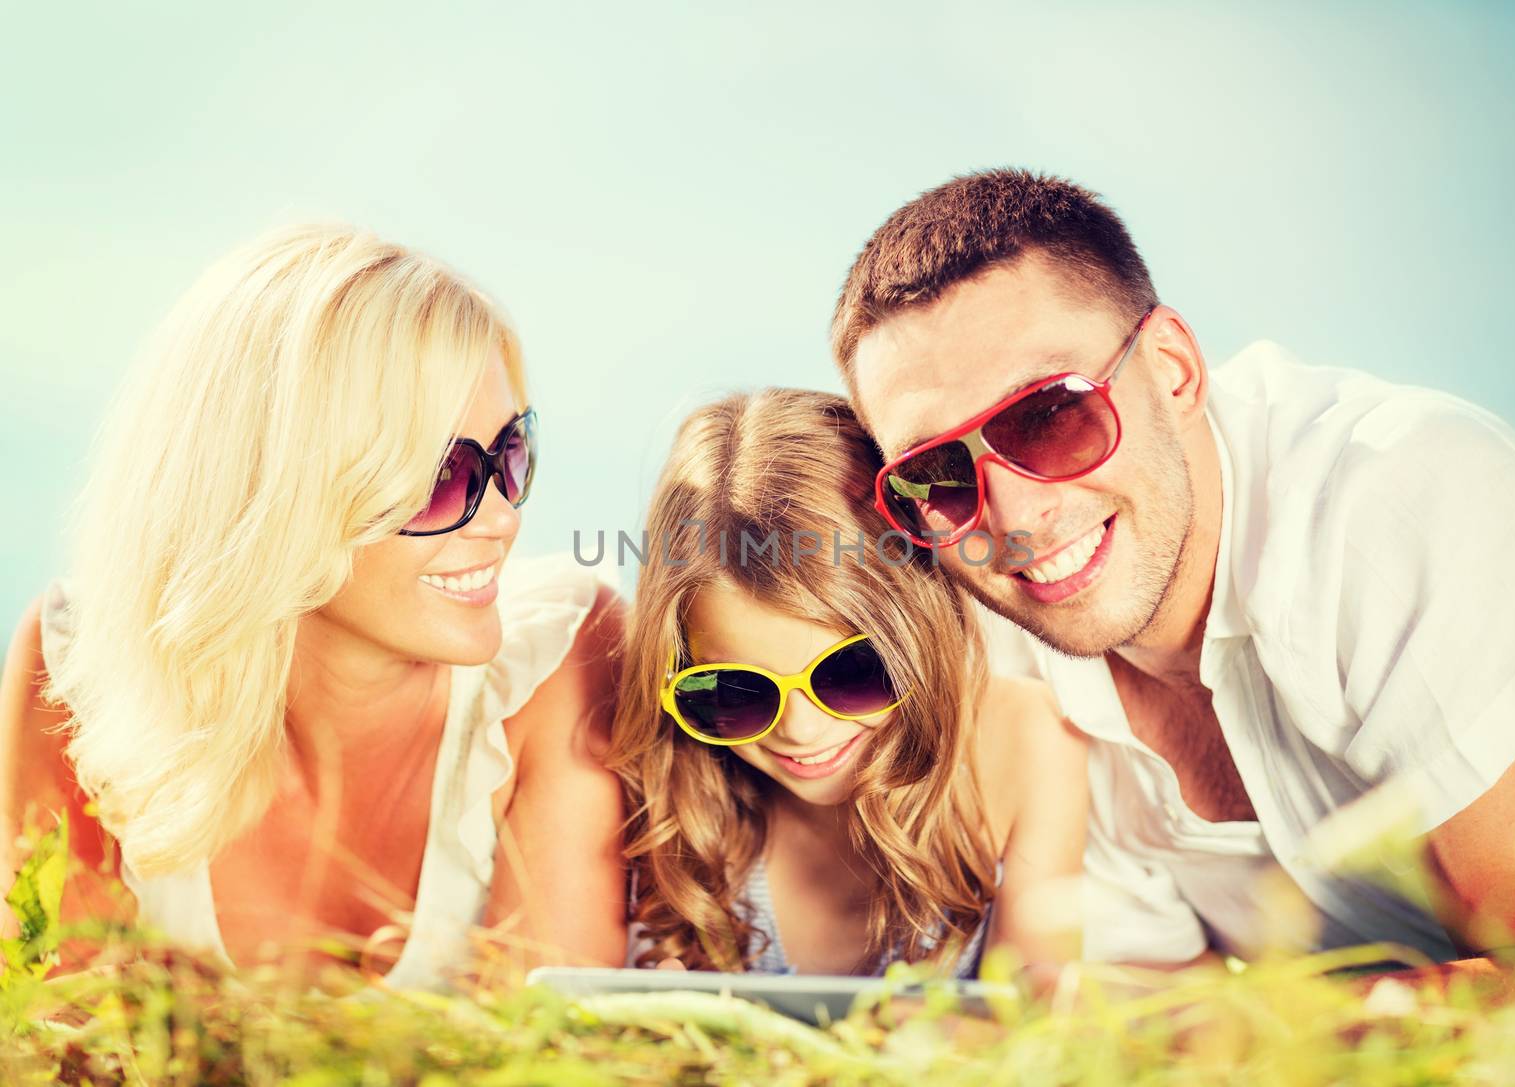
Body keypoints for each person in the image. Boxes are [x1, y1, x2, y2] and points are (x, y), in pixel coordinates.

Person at [828, 168, 1515, 971]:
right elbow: (1138, 1004)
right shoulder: (994, 651)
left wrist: (1226, 1028)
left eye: (1050, 414)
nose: (1014, 518)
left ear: (1173, 369)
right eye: (935, 473)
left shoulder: (1404, 500)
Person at [0, 225, 628, 988]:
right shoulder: (77, 668)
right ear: (275, 495)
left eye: (510, 453)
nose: (501, 517)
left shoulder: (559, 655)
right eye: (440, 476)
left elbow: (551, 1057)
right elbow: (68, 1036)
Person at [607, 389, 1087, 985]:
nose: (800, 731)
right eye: (735, 692)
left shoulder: (1030, 741)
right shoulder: (683, 796)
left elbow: (1034, 1030)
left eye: (852, 673)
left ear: (921, 627)